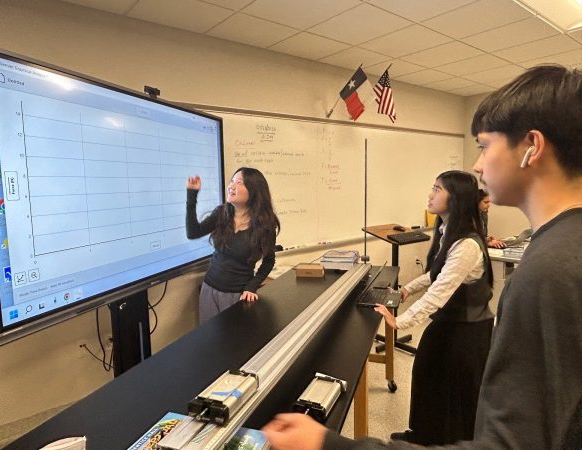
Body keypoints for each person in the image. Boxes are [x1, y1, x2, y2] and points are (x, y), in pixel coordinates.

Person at [263, 64, 582, 449]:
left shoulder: (548, 270)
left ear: (532, 146)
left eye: (484, 146)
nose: (478, 166)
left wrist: (330, 445)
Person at [379, 171, 494, 446]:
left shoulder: (467, 244)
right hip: (450, 323)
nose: (430, 194)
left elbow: (440, 292)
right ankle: (424, 433)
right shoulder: (446, 232)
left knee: (452, 390)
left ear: (455, 199)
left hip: (468, 330)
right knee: (427, 374)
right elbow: (435, 274)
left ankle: (444, 440)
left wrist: (401, 322)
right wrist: (407, 289)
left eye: (437, 189)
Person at [186, 167, 280, 323]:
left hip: (237, 295)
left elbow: (269, 261)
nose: (231, 185)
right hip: (209, 289)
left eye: (239, 182)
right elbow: (193, 232)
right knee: (209, 340)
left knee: (233, 342)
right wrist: (191, 196)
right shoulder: (222, 213)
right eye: (232, 181)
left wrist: (252, 286)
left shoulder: (265, 225)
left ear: (253, 190)